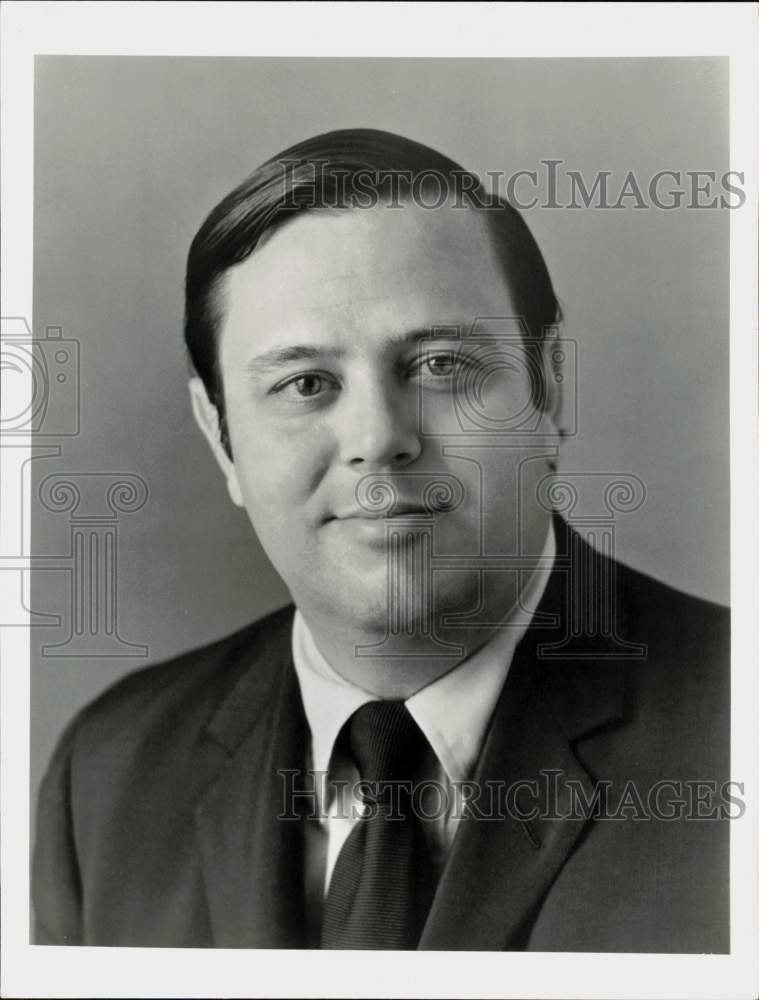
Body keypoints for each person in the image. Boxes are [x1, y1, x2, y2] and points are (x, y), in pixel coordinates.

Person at [33, 128, 730, 952]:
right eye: (304, 384)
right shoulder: (108, 776)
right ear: (221, 439)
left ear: (549, 391)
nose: (378, 439)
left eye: (439, 365)